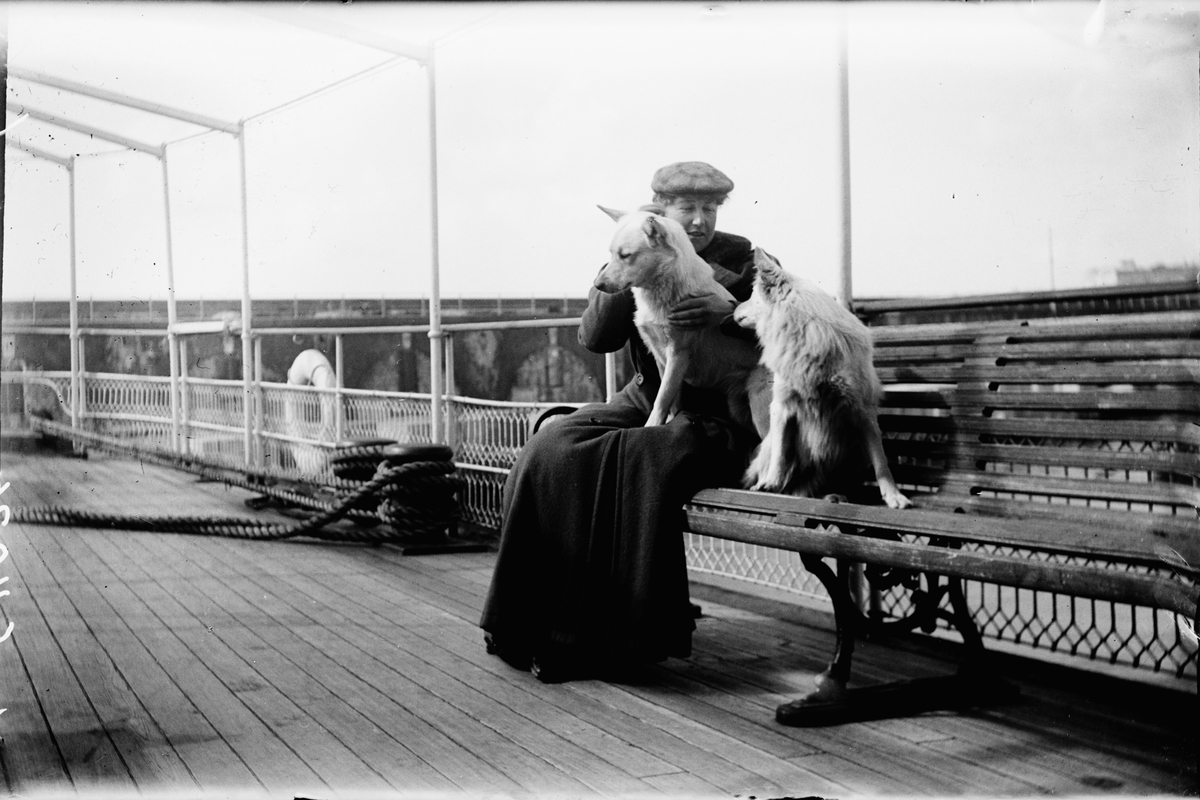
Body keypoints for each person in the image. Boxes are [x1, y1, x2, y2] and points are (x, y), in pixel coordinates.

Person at [479, 162, 766, 681]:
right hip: (647, 397)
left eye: (710, 209)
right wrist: (623, 258)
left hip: (718, 409)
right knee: (554, 443)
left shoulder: (744, 257)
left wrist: (728, 312)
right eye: (686, 208)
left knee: (642, 453)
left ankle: (613, 637)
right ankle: (522, 620)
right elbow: (597, 338)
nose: (699, 221)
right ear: (660, 211)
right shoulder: (637, 241)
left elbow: (784, 324)